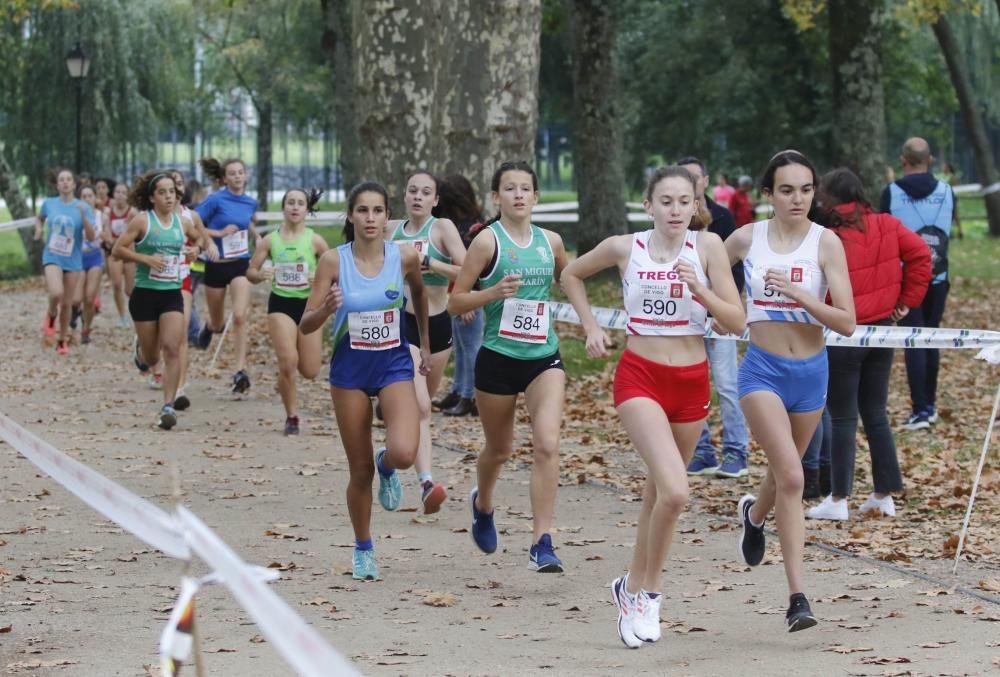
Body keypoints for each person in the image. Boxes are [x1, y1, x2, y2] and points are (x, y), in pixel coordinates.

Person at [562, 165, 745, 648]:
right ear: (648, 206)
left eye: (684, 201)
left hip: (690, 380)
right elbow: (571, 274)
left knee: (659, 494)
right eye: (666, 201)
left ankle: (629, 586)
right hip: (640, 376)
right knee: (677, 492)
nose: (676, 210)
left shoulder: (707, 248)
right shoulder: (626, 247)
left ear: (695, 205)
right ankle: (650, 595)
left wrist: (701, 289)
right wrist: (591, 327)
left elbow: (735, 321)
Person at [727, 150, 855, 631]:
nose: (797, 198)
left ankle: (754, 515)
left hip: (812, 374)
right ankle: (798, 597)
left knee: (786, 473)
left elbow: (846, 321)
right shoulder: (747, 238)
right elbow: (704, 268)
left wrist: (802, 295)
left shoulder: (826, 243)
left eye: (805, 189)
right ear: (769, 195)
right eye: (786, 190)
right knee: (795, 478)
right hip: (762, 371)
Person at [299, 181, 430, 581]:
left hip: (393, 364)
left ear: (387, 216)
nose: (370, 218)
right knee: (359, 471)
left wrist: (424, 343)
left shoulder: (405, 257)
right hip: (350, 370)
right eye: (362, 211)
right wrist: (326, 309)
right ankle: (364, 547)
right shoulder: (333, 263)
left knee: (404, 452)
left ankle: (387, 464)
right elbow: (305, 324)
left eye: (377, 211)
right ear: (351, 216)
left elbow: (420, 296)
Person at [448, 161, 570, 573]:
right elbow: (456, 301)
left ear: (536, 197)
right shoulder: (486, 243)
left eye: (525, 188)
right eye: (509, 188)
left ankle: (542, 541)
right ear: (496, 198)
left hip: (543, 358)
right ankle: (482, 504)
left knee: (547, 443)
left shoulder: (551, 242)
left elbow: (570, 279)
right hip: (498, 359)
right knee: (499, 450)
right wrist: (492, 292)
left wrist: (589, 319)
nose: (518, 195)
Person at [806, 168, 931, 521]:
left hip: (844, 332)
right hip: (882, 330)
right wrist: (907, 300)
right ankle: (883, 493)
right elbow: (922, 255)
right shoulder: (888, 225)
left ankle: (839, 497)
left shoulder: (825, 236)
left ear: (827, 198)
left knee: (842, 414)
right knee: (875, 411)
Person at [388, 171, 466, 513]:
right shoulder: (390, 230)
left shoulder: (442, 228)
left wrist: (428, 262)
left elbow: (468, 271)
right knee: (419, 405)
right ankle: (426, 482)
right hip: (402, 324)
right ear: (404, 197)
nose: (418, 197)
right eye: (412, 191)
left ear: (435, 200)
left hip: (439, 324)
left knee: (422, 410)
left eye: (425, 192)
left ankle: (389, 459)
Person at [112, 170, 210, 429]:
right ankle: (141, 350)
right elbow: (117, 250)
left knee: (172, 347)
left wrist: (195, 249)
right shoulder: (142, 221)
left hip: (171, 293)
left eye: (172, 192)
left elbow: (200, 237)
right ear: (152, 198)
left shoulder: (182, 222)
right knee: (152, 357)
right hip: (145, 295)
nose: (169, 197)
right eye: (163, 192)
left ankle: (168, 405)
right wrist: (145, 259)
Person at [677, 157, 750, 479]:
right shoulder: (672, 220)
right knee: (692, 384)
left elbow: (735, 268)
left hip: (719, 315)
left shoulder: (722, 218)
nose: (691, 182)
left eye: (695, 177)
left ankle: (737, 449)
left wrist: (725, 306)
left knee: (727, 384)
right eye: (684, 177)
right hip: (684, 317)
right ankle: (702, 450)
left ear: (705, 180)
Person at [879, 138, 955, 430]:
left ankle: (920, 409)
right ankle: (929, 405)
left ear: (903, 160)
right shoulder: (948, 192)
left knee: (913, 339)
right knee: (931, 337)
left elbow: (884, 235)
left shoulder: (892, 193)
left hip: (905, 278)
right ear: (931, 160)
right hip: (938, 276)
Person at [247, 188, 329, 434]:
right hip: (281, 304)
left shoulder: (315, 240)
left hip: (309, 306)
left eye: (300, 203)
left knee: (310, 370)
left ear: (306, 209)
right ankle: (292, 416)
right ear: (283, 208)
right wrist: (260, 274)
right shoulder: (270, 240)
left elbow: (336, 269)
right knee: (288, 361)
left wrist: (320, 277)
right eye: (290, 202)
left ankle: (284, 380)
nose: (295, 207)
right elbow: (250, 271)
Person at [194, 157, 260, 394]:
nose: (237, 177)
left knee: (240, 316)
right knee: (220, 323)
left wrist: (256, 236)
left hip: (240, 263)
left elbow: (243, 224)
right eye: (232, 173)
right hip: (216, 263)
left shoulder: (251, 202)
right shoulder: (215, 199)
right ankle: (210, 326)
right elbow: (194, 223)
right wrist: (216, 235)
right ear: (224, 178)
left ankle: (240, 370)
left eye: (240, 172)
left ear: (246, 175)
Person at [431, 174, 485, 417]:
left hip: (471, 296)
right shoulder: (453, 226)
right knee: (461, 346)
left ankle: (472, 396)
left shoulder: (471, 229)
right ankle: (459, 390)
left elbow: (473, 268)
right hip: (454, 295)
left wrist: (468, 299)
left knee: (471, 346)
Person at [33, 168, 96, 354]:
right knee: (56, 293)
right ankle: (51, 314)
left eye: (69, 179)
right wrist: (38, 230)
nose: (65, 182)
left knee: (68, 303)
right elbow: (40, 218)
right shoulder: (49, 204)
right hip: (52, 255)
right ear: (57, 184)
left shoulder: (83, 207)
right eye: (62, 180)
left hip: (73, 259)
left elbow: (91, 237)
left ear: (74, 185)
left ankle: (62, 340)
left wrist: (84, 217)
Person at [170, 169, 218, 409]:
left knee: (179, 333)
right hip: (154, 281)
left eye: (178, 183)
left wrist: (204, 248)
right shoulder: (148, 217)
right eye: (170, 184)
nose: (174, 188)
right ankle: (145, 350)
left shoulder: (191, 217)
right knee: (162, 338)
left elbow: (203, 239)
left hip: (181, 279)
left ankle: (179, 388)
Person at [73, 184, 105, 344]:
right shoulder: (74, 216)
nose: (87, 199)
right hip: (78, 258)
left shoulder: (101, 216)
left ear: (95, 198)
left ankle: (86, 330)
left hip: (95, 258)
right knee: (77, 299)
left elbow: (108, 237)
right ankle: (74, 314)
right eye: (83, 196)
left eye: (89, 196)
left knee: (90, 298)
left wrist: (108, 239)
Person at [105, 181, 136, 328]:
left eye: (123, 192)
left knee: (130, 290)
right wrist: (114, 241)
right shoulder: (107, 213)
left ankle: (135, 314)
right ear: (113, 194)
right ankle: (122, 316)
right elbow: (107, 236)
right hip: (115, 254)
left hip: (129, 254)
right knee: (116, 285)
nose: (120, 195)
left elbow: (134, 236)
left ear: (128, 195)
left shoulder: (132, 212)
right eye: (117, 192)